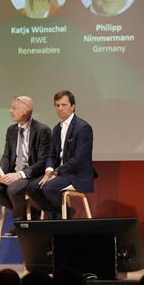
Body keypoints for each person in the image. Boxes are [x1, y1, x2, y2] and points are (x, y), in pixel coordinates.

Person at [0, 96, 51, 236]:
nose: (10, 111)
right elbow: (7, 156)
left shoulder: (42, 130)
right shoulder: (11, 130)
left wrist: (19, 175)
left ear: (26, 110)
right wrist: (0, 172)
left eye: (14, 108)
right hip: (13, 172)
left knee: (13, 189)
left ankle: (20, 223)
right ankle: (32, 213)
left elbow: (42, 162)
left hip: (31, 174)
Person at [27, 90, 94, 219]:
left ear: (73, 106)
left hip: (76, 174)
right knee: (32, 187)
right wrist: (49, 170)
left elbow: (79, 159)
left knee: (48, 188)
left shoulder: (83, 128)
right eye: (57, 105)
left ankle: (59, 217)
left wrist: (56, 172)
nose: (60, 108)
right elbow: (51, 155)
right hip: (59, 172)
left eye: (64, 105)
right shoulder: (57, 129)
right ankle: (58, 214)